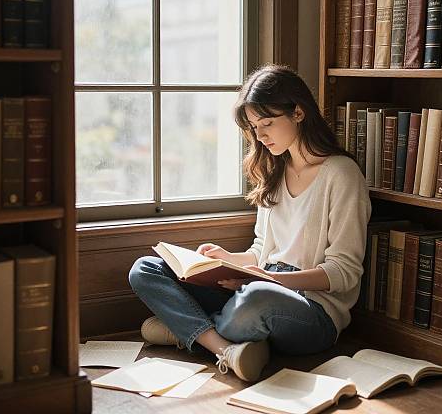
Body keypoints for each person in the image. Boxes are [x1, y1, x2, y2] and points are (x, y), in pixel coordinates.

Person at [129, 64, 371, 382]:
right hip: (255, 287)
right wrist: (227, 260)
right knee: (145, 268)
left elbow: (344, 272)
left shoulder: (341, 174)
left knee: (255, 298)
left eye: (267, 123)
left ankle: (189, 332)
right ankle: (225, 348)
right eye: (254, 127)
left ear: (298, 112)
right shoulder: (274, 171)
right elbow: (261, 250)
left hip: (311, 310)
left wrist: (270, 280)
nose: (260, 135)